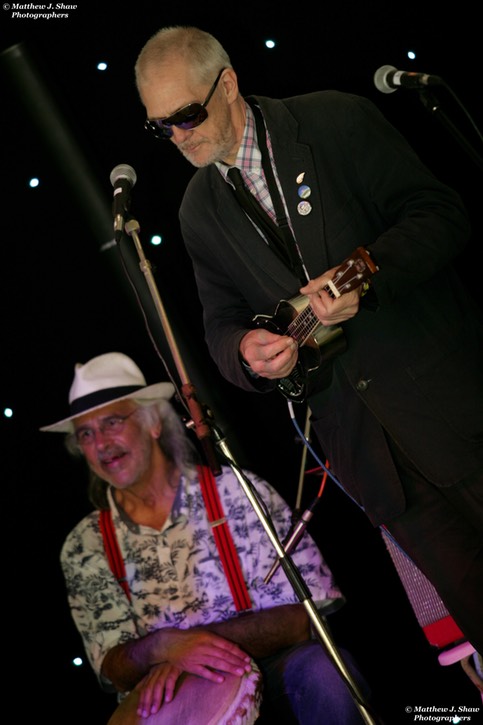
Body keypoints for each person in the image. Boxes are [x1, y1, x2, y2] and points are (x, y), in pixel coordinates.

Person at [133, 26, 483, 657]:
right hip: (375, 462)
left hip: (456, 411)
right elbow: (219, 324)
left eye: (187, 115)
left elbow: (440, 213)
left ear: (230, 84)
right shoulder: (197, 209)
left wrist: (371, 275)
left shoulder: (334, 120)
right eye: (162, 127)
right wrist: (246, 352)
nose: (179, 137)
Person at [41, 351, 372, 724]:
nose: (101, 443)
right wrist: (163, 649)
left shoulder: (237, 492)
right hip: (166, 696)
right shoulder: (85, 545)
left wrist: (188, 648)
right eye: (86, 433)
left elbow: (302, 619)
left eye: (112, 422)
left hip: (272, 667)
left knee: (327, 673)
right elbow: (111, 666)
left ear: (153, 423)